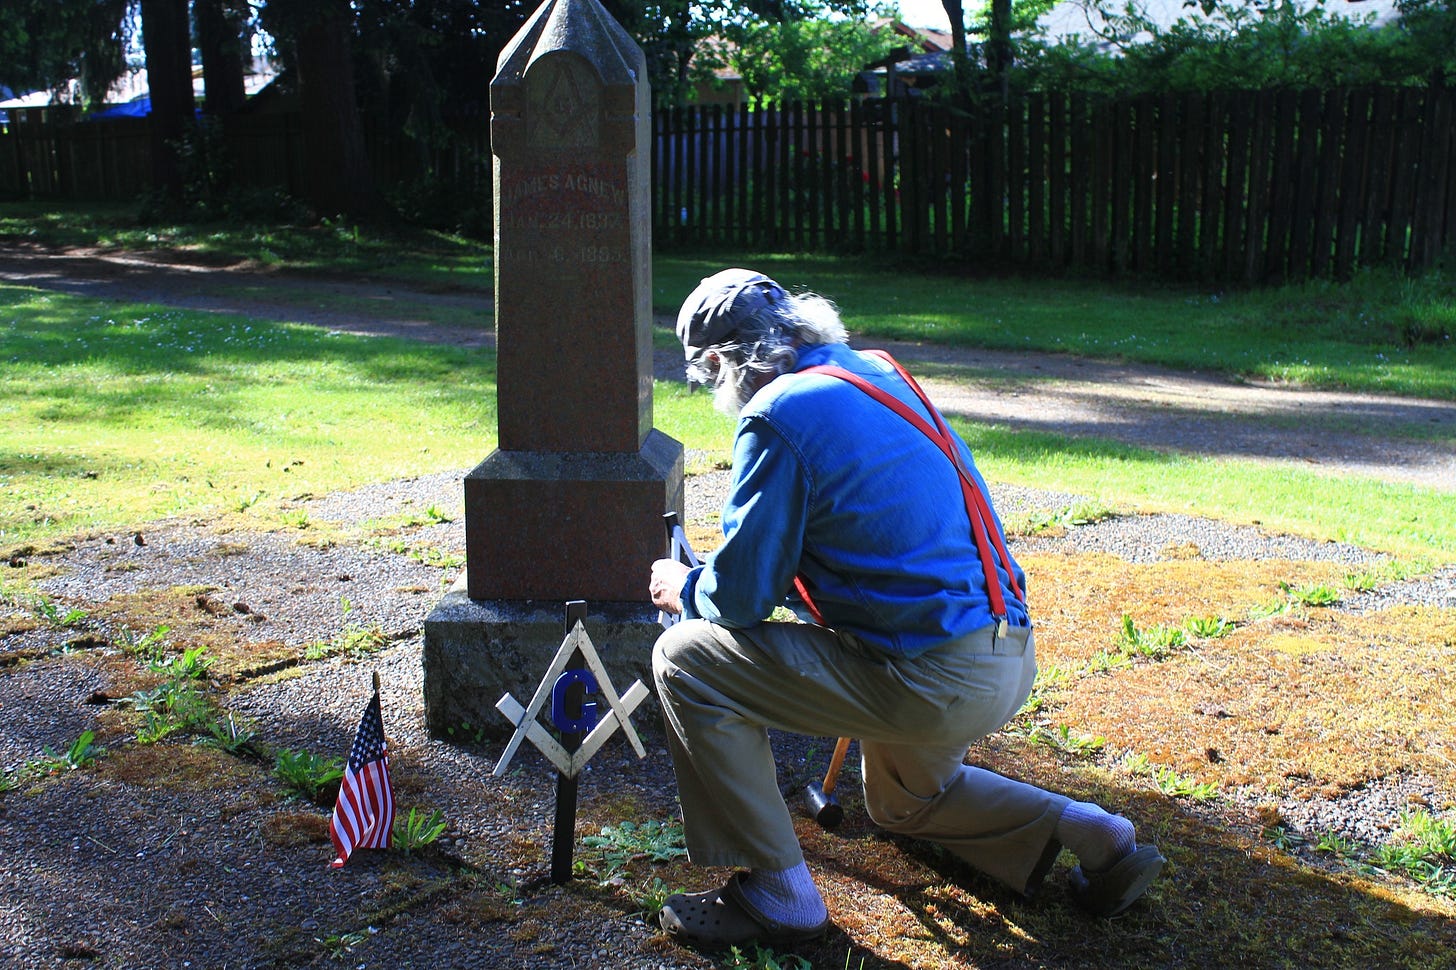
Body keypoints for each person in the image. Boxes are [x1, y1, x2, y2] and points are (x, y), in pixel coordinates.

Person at [647, 269, 1165, 948]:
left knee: (685, 659)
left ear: (719, 361)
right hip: (1006, 650)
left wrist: (683, 587)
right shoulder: (877, 373)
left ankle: (780, 899)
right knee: (902, 800)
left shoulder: (778, 413)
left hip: (931, 674)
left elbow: (740, 598)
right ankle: (1095, 834)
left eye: (707, 374)